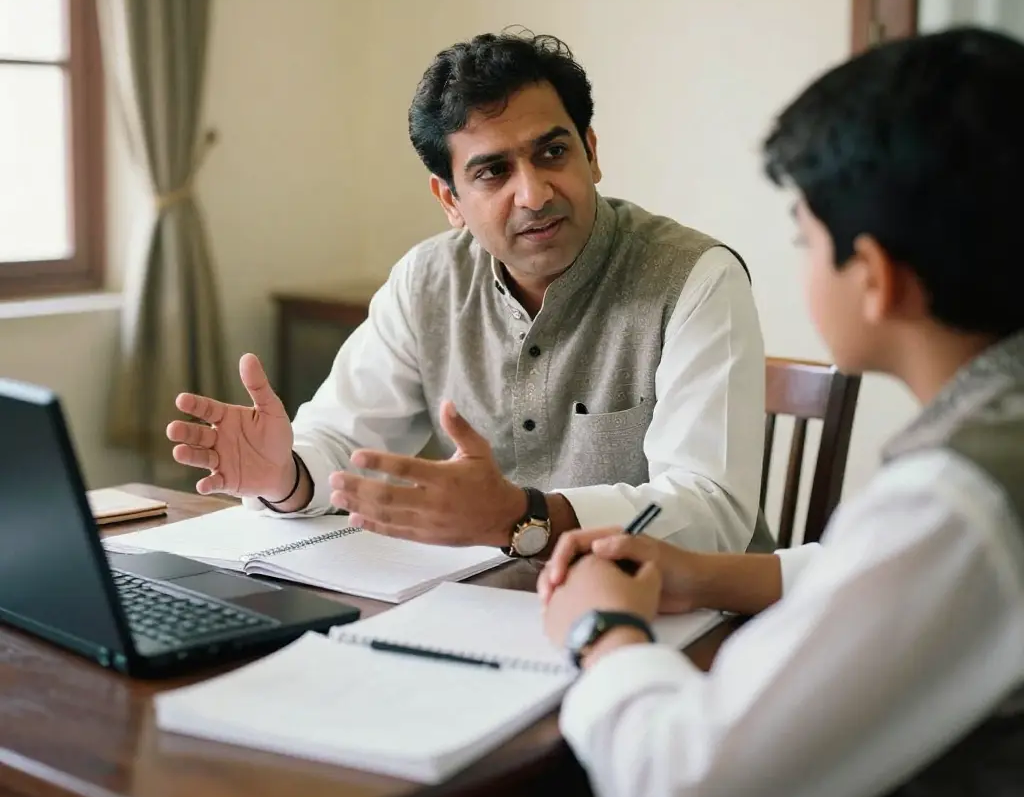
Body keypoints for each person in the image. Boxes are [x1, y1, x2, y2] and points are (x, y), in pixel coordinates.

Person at [540, 25, 1024, 797]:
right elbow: (905, 576)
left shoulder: (959, 493)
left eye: (806, 239)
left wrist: (600, 630)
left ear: (874, 277)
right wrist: (710, 575)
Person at [167, 30, 771, 558]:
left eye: (553, 152)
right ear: (449, 200)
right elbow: (342, 442)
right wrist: (284, 476)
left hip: (682, 619)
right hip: (488, 603)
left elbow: (710, 509)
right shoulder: (427, 281)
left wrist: (523, 517)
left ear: (591, 152)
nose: (534, 194)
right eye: (492, 172)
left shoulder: (696, 277)